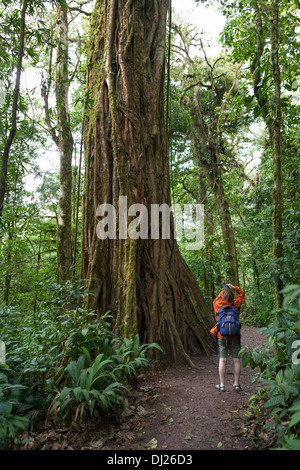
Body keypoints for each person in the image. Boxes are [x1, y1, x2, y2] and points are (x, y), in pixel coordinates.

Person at [210, 283, 245, 392]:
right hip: (235, 336)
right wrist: (233, 288)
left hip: (222, 336)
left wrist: (224, 289)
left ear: (222, 295)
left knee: (222, 360)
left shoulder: (217, 304)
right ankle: (236, 384)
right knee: (236, 360)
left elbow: (217, 298)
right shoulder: (235, 305)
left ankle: (222, 385)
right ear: (231, 297)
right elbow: (242, 294)